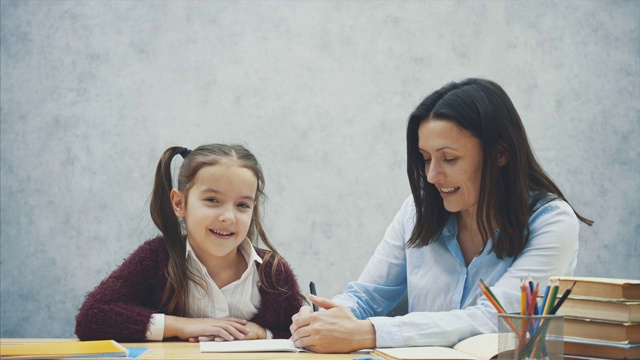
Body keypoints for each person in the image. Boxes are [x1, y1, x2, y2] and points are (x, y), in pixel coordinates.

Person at [290, 78, 593, 353]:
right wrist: (321, 318)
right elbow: (367, 296)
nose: (433, 175)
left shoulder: (552, 222)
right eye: (425, 159)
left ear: (501, 153)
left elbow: (496, 321)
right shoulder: (416, 210)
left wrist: (369, 332)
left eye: (449, 158)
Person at [75, 144, 305, 342]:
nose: (228, 217)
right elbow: (93, 317)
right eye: (212, 200)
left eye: (242, 205)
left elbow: (302, 334)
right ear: (179, 203)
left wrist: (261, 333)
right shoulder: (156, 257)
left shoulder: (272, 271)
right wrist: (183, 326)